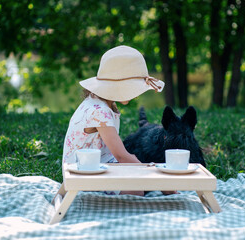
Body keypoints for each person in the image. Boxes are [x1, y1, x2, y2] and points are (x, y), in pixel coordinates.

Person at [62, 45, 175, 196]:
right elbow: (121, 155)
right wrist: (158, 181)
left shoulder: (105, 104)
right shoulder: (99, 111)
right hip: (83, 171)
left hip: (99, 165)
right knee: (135, 191)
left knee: (137, 178)